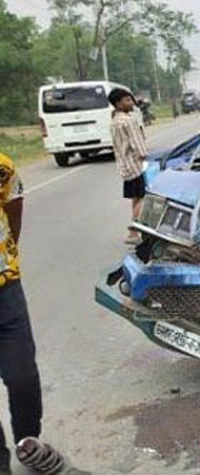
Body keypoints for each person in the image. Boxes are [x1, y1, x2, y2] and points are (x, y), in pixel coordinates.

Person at [0, 153, 65, 475]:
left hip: (4, 291)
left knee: (21, 376)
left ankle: (29, 444)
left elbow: (13, 211)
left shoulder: (2, 167)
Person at [109, 88, 148, 245]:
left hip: (124, 165)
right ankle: (133, 231)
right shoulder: (127, 120)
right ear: (118, 104)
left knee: (136, 197)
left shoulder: (114, 121)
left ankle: (136, 229)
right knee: (143, 197)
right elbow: (137, 143)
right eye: (127, 100)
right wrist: (144, 155)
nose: (130, 103)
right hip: (134, 164)